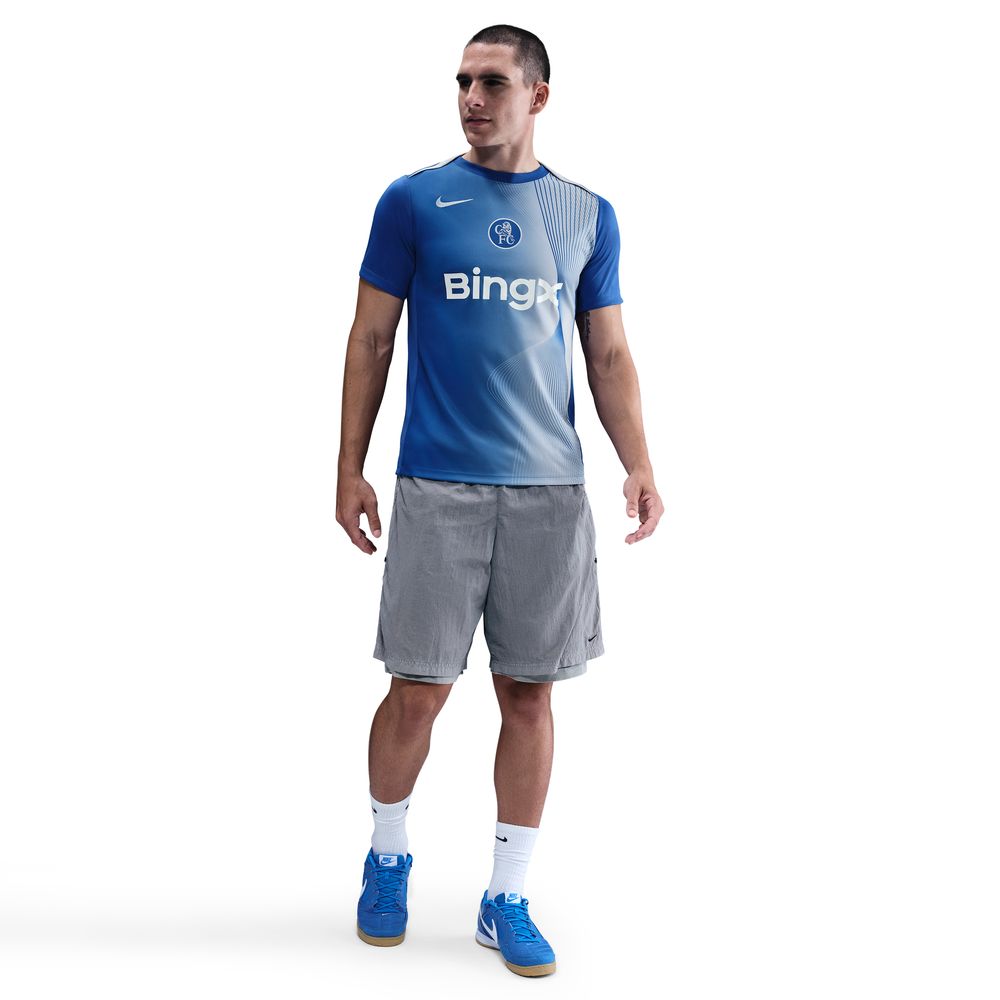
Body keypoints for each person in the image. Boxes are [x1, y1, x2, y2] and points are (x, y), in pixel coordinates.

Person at [337, 24, 662, 978]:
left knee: (529, 693)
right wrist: (349, 467)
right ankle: (387, 857)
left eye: (492, 83)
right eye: (462, 82)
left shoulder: (586, 214)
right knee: (418, 690)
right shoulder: (412, 201)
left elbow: (608, 351)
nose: (472, 99)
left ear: (537, 95)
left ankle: (506, 896)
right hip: (437, 485)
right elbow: (369, 340)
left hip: (548, 495)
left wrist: (639, 462)